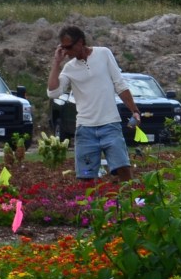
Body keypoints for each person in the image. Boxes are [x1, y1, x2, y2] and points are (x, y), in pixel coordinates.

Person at [47, 25, 141, 181]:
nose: (67, 52)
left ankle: (129, 202)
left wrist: (135, 111)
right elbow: (53, 92)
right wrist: (56, 63)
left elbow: (120, 85)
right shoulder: (69, 68)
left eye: (69, 47)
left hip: (110, 124)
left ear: (80, 42)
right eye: (63, 48)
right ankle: (88, 206)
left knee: (123, 169)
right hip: (85, 129)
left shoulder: (104, 54)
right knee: (85, 177)